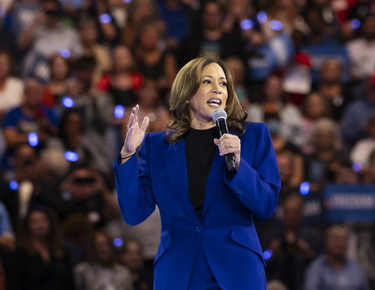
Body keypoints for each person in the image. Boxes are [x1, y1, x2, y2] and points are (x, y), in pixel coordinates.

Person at [114, 56, 281, 289]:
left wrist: (240, 166)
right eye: (207, 82)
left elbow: (265, 206)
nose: (218, 89)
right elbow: (134, 214)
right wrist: (128, 155)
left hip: (236, 269)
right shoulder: (157, 146)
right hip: (178, 271)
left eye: (223, 84)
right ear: (187, 91)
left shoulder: (253, 136)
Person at [303, 225, 369, 290]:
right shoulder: (317, 267)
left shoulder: (355, 267)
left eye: (342, 240)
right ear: (326, 243)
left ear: (347, 244)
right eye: (335, 239)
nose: (338, 243)